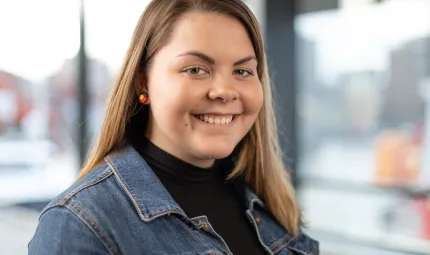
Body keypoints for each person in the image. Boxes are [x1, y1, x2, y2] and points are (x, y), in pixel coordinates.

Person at [28, 0, 319, 254]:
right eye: (195, 69)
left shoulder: (267, 200)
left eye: (242, 71)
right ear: (143, 81)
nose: (225, 91)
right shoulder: (81, 223)